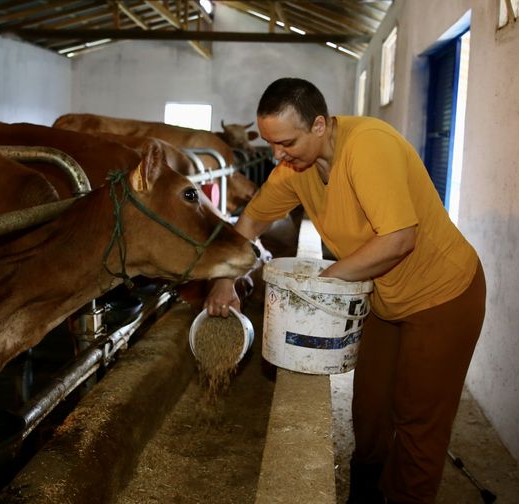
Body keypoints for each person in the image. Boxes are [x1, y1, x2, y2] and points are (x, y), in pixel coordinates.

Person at [205, 78, 485, 504]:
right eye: (270, 144)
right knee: (370, 411)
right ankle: (366, 495)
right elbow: (250, 221)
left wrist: (321, 283)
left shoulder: (369, 147)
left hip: (442, 294)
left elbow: (399, 239)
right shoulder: (296, 170)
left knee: (417, 420)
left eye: (286, 142)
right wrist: (223, 276)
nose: (276, 155)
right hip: (384, 296)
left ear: (319, 126)